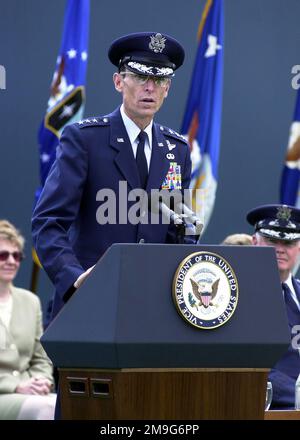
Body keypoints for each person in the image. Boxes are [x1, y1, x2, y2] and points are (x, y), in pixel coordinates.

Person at [32, 31, 194, 321]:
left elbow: (180, 231)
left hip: (152, 311)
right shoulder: (84, 139)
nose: (149, 88)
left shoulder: (177, 150)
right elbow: (48, 223)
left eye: (158, 80)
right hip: (89, 305)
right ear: (119, 82)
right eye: (141, 77)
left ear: (167, 88)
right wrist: (75, 278)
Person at [0, 220, 56, 420]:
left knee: (63, 404)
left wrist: (41, 381)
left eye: (16, 256)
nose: (11, 261)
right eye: (3, 255)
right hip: (5, 394)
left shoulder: (30, 302)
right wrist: (16, 386)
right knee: (47, 410)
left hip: (30, 393)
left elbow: (41, 357)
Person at [247, 204, 300, 409]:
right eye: (271, 240)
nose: (280, 248)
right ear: (255, 242)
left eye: (288, 242)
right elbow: (248, 363)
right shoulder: (236, 296)